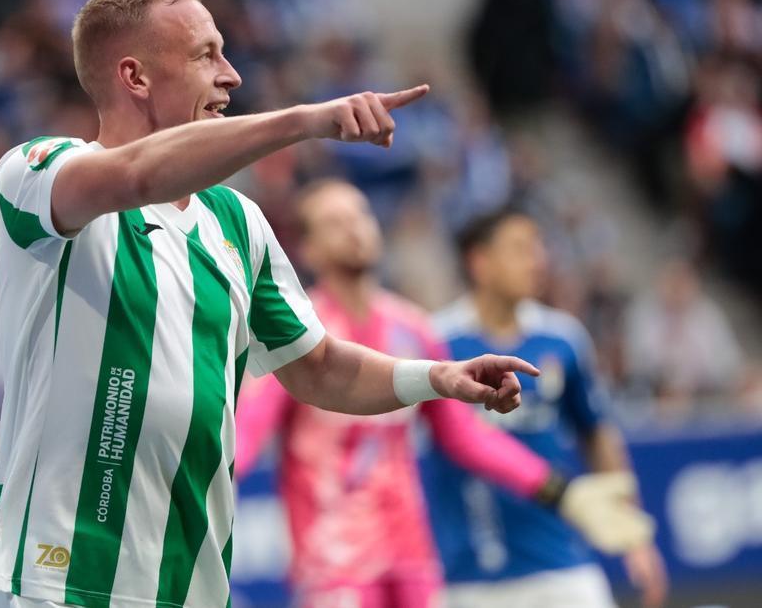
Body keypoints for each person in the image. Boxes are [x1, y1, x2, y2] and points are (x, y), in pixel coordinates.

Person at [0, 0, 539, 608]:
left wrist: (436, 377)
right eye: (204, 55)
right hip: (54, 580)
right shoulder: (36, 173)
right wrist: (305, 120)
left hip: (189, 585)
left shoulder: (235, 222)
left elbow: (320, 368)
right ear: (134, 77)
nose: (232, 75)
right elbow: (137, 174)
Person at [234, 180, 655, 608]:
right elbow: (246, 431)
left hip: (413, 558)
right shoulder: (292, 338)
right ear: (306, 250)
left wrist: (560, 492)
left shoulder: (415, 328)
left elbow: (465, 436)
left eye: (360, 215)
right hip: (333, 563)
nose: (354, 228)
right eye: (335, 222)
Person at [425, 207, 669, 608]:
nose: (538, 259)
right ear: (479, 262)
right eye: (520, 248)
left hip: (561, 567)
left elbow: (598, 434)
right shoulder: (438, 345)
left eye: (538, 247)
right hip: (468, 577)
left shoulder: (564, 339)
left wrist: (634, 539)